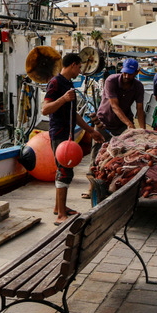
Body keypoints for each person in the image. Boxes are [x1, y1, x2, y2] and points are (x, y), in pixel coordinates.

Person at [41, 52, 103, 225]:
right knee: (64, 170)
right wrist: (63, 98)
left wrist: (91, 131)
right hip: (59, 133)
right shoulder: (55, 83)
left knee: (66, 169)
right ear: (73, 65)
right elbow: (45, 110)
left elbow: (73, 113)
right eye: (79, 67)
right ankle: (61, 215)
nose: (80, 71)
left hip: (67, 133)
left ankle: (59, 207)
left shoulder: (68, 84)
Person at [84, 58, 146, 199]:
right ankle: (91, 189)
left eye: (130, 73)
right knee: (97, 155)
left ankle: (117, 185)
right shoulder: (111, 81)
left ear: (136, 72)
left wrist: (142, 131)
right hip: (104, 122)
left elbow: (140, 109)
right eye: (125, 72)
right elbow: (114, 106)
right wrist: (130, 125)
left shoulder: (138, 86)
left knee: (123, 156)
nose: (126, 76)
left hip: (122, 125)